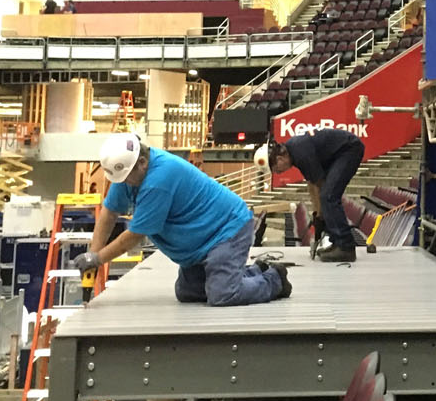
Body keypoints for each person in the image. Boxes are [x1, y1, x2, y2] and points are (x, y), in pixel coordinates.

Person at [76, 133, 290, 304]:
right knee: (188, 292)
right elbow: (109, 213)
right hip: (200, 242)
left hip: (226, 230)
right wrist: (91, 256)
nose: (124, 184)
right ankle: (254, 271)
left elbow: (135, 235)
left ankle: (275, 279)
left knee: (223, 294)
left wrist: (98, 259)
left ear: (142, 162)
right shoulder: (128, 173)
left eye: (126, 178)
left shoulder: (158, 180)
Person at [262, 129, 366, 263]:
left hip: (349, 150)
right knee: (326, 196)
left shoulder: (300, 152)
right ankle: (337, 242)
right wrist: (317, 214)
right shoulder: (294, 152)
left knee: (328, 196)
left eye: (276, 169)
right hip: (339, 153)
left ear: (279, 159)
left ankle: (345, 247)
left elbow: (320, 185)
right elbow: (311, 183)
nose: (279, 173)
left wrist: (321, 216)